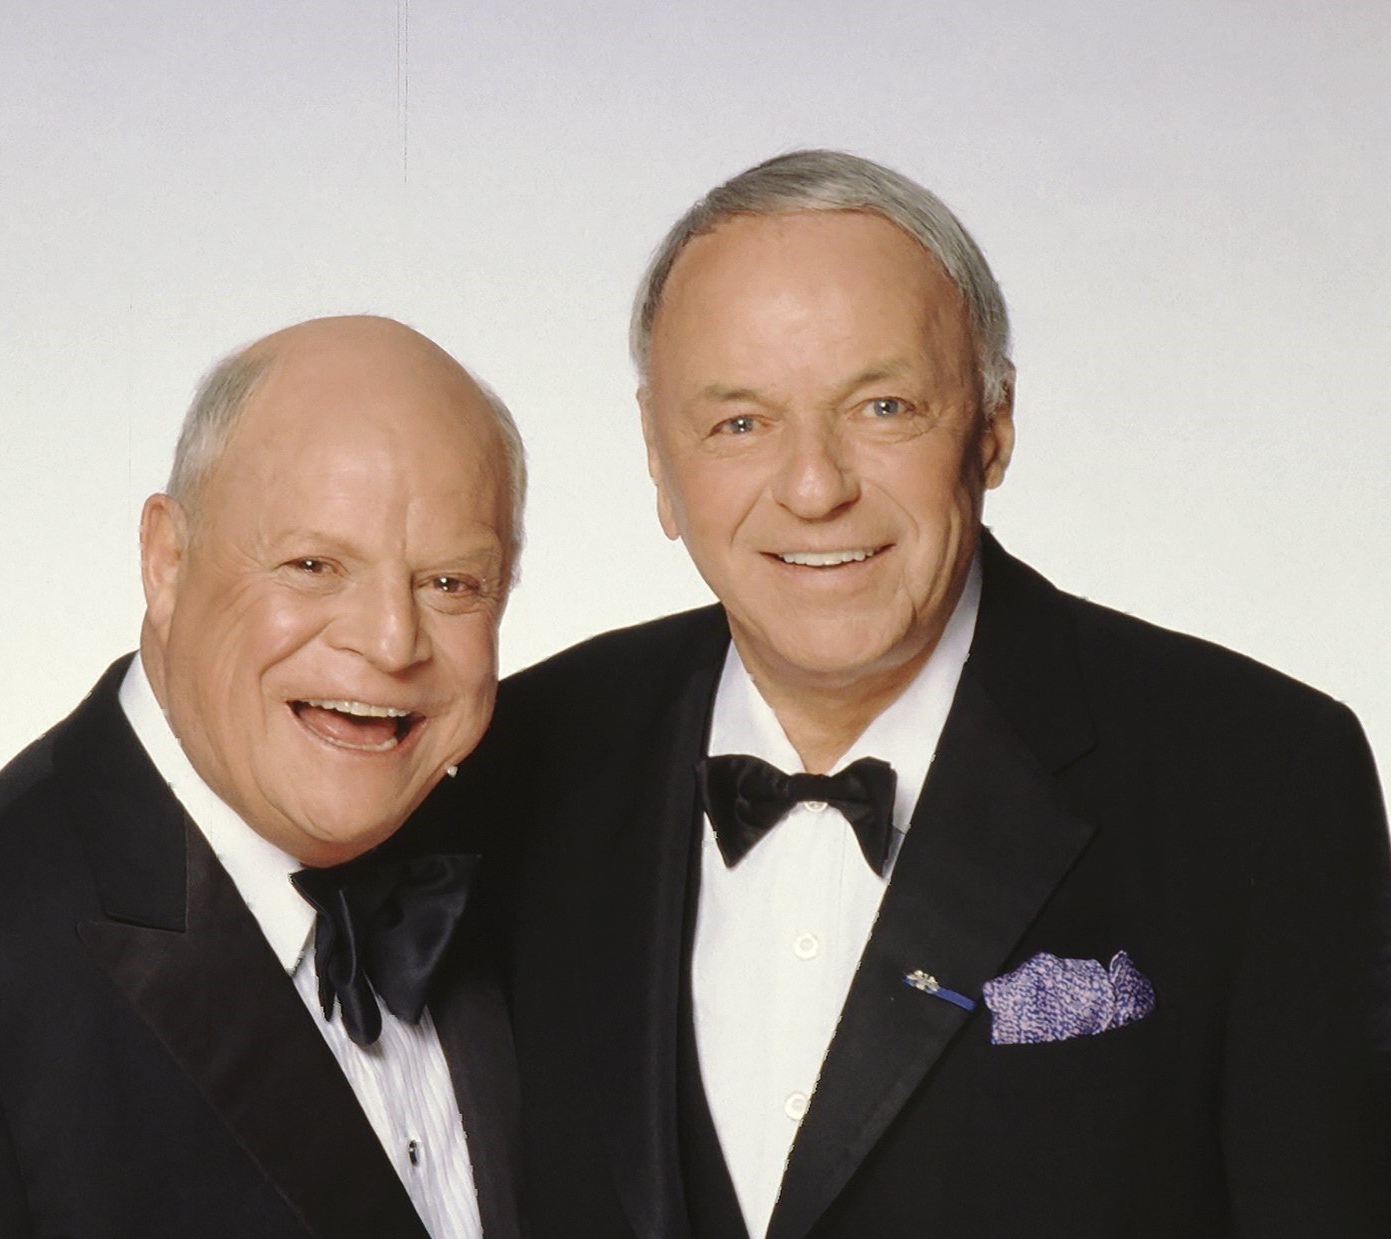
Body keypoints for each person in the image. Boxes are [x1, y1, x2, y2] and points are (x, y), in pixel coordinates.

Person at [445, 152, 1391, 1236]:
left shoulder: (1259, 779)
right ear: (659, 460)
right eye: (739, 423)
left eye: (883, 406)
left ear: (991, 425)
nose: (814, 488)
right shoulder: (516, 757)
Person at [0, 315, 527, 1239]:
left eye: (451, 584)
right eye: (312, 566)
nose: (390, 642)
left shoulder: (523, 867)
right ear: (166, 560)